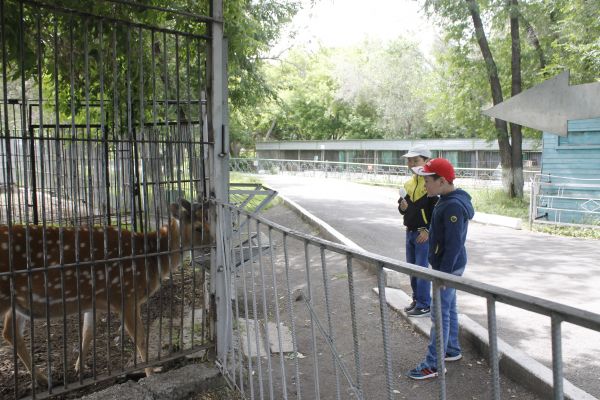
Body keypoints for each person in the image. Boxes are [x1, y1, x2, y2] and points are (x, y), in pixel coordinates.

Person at [406, 158, 475, 380]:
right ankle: (451, 349)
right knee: (448, 308)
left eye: (427, 181)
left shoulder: (452, 205)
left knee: (439, 314)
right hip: (449, 266)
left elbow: (454, 244)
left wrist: (442, 275)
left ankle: (433, 364)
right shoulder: (446, 199)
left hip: (448, 268)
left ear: (442, 181)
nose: (425, 185)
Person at [398, 145, 438, 317]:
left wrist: (428, 230)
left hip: (423, 234)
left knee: (421, 269)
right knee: (412, 268)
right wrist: (402, 207)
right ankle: (417, 300)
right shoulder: (409, 183)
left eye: (416, 160)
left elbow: (436, 211)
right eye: (409, 161)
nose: (412, 164)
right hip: (410, 231)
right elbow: (403, 209)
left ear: (427, 161)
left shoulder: (431, 183)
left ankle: (424, 304)